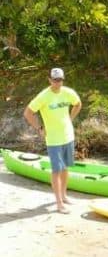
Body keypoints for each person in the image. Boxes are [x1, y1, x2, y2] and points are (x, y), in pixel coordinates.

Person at [23, 67, 82, 213]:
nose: (58, 83)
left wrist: (70, 118)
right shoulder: (43, 96)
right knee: (56, 170)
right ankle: (59, 203)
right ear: (50, 80)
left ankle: (64, 195)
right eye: (55, 80)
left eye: (60, 80)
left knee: (65, 167)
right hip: (53, 139)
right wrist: (39, 128)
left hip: (68, 136)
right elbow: (28, 113)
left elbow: (78, 103)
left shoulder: (68, 92)